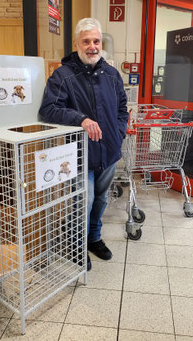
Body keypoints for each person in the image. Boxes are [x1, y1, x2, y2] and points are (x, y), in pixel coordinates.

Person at [39, 18, 128, 271]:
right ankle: (76, 243)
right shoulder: (63, 76)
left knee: (101, 199)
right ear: (76, 43)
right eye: (86, 41)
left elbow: (122, 109)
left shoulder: (111, 74)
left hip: (109, 150)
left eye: (96, 41)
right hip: (79, 153)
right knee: (84, 201)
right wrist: (81, 119)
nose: (92, 46)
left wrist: (118, 132)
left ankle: (93, 238)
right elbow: (48, 110)